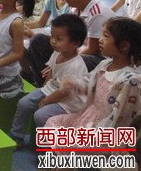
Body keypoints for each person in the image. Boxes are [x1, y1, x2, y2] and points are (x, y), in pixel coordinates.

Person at [45, 18, 141, 149]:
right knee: (52, 123)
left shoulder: (130, 81)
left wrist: (95, 134)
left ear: (124, 46)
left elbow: (120, 119)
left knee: (68, 141)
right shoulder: (104, 64)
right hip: (88, 116)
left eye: (106, 36)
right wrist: (74, 84)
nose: (100, 40)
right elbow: (89, 82)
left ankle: (64, 161)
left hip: (104, 130)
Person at [10, 14, 88, 147]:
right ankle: (16, 136)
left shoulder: (75, 66)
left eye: (58, 39)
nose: (53, 41)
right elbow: (51, 72)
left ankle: (46, 146)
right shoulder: (58, 52)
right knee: (24, 103)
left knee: (40, 115)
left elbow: (64, 92)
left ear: (75, 43)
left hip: (68, 102)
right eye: (52, 36)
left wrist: (45, 101)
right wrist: (43, 89)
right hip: (52, 90)